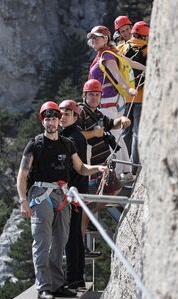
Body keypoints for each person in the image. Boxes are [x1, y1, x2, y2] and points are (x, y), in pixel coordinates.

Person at [16, 101, 108, 299]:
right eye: (47, 119)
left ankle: (57, 285)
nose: (51, 122)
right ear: (43, 122)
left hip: (62, 196)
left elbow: (81, 168)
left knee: (59, 243)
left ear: (59, 121)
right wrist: (23, 201)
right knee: (42, 242)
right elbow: (22, 176)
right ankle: (43, 287)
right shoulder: (35, 144)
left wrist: (97, 169)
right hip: (41, 195)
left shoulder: (68, 144)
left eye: (54, 118)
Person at [77, 79, 131, 253]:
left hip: (101, 166)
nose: (94, 98)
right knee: (87, 205)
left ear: (101, 97)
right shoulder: (80, 113)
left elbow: (110, 124)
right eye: (91, 94)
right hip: (89, 167)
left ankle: (87, 229)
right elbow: (73, 136)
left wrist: (121, 120)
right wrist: (93, 133)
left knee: (102, 198)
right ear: (84, 96)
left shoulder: (97, 114)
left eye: (97, 95)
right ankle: (81, 243)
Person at [86, 25, 144, 181]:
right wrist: (147, 68)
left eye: (96, 37)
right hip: (115, 101)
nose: (93, 40)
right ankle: (127, 172)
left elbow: (117, 75)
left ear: (105, 38)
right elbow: (130, 63)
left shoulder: (106, 56)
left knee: (111, 136)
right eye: (91, 38)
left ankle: (119, 173)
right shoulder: (110, 53)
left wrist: (127, 88)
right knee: (116, 135)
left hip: (108, 102)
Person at [59, 99, 87, 289]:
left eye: (67, 113)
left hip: (72, 192)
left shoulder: (71, 138)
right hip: (78, 190)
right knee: (75, 234)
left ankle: (72, 277)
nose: (62, 116)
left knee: (70, 235)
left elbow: (71, 168)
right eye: (61, 113)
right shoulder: (74, 135)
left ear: (75, 117)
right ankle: (77, 277)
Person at [119, 21, 150, 175]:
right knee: (137, 133)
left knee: (125, 133)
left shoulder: (121, 48)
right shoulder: (147, 48)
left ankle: (123, 168)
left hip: (125, 97)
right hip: (141, 96)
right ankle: (134, 168)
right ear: (144, 35)